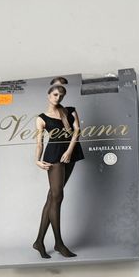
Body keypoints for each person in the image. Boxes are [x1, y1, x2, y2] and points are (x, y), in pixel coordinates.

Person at [32, 81, 84, 259]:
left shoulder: (70, 111)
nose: (58, 98)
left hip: (71, 153)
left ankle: (39, 242)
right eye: (55, 94)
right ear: (49, 95)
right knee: (57, 197)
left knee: (52, 198)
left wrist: (69, 151)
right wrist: (37, 160)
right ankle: (59, 243)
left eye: (61, 95)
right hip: (54, 155)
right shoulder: (41, 118)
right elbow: (39, 143)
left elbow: (77, 131)